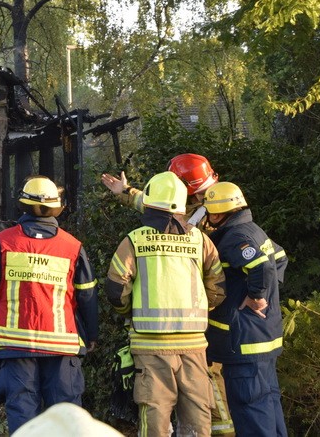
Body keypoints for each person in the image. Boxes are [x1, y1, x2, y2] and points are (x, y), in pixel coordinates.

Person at [102, 153, 235, 436]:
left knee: (155, 410)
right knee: (197, 412)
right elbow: (218, 285)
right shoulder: (200, 236)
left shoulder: (136, 240)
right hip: (194, 342)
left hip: (151, 344)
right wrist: (197, 308)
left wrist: (132, 312)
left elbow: (116, 289)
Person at [0, 176, 99, 435]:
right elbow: (87, 295)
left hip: (16, 343)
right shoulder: (72, 246)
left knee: (22, 411)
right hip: (61, 347)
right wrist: (92, 334)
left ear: (23, 205)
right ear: (57, 207)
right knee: (65, 414)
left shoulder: (4, 242)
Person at [202, 182, 288, 437]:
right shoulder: (253, 230)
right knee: (269, 404)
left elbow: (263, 268)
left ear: (217, 214)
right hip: (263, 337)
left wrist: (257, 297)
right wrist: (270, 293)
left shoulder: (235, 236)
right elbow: (280, 257)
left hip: (244, 342)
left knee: (250, 410)